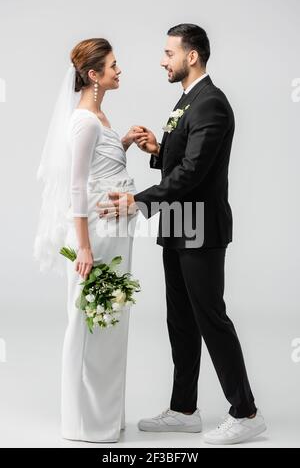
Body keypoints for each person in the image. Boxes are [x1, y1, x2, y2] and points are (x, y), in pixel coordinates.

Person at [97, 24, 267, 445]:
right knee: (181, 321)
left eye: (168, 52)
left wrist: (136, 201)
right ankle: (184, 409)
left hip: (201, 228)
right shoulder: (187, 101)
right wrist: (159, 150)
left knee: (210, 318)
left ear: (192, 56)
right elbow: (184, 159)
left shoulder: (211, 103)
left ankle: (246, 412)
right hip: (178, 224)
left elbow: (194, 173)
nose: (162, 60)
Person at [34, 38, 140, 443]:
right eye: (114, 65)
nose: (119, 70)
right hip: (95, 232)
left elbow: (101, 166)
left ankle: (106, 417)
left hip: (116, 232)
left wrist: (124, 142)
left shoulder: (99, 116)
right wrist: (83, 246)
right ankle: (85, 423)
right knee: (91, 318)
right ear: (93, 75)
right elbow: (77, 188)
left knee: (111, 319)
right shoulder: (83, 121)